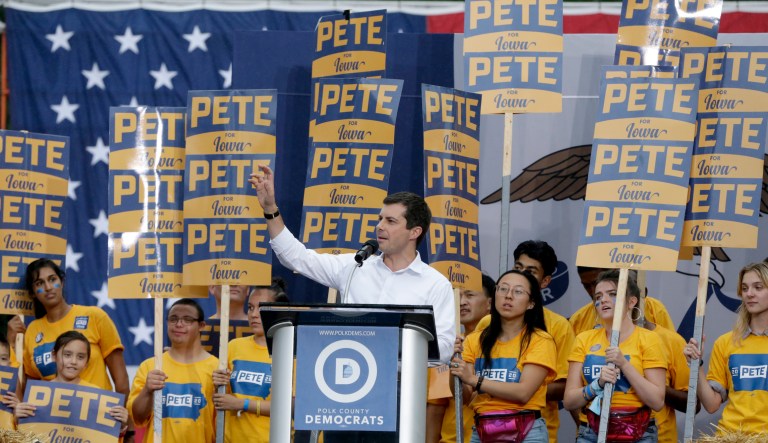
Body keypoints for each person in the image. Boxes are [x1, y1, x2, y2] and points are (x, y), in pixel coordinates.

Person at [249, 165, 455, 362]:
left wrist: (397, 343)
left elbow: (444, 347)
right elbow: (296, 257)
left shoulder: (435, 284)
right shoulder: (356, 266)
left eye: (390, 221)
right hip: (347, 375)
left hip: (402, 384)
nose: (379, 226)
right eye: (380, 218)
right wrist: (270, 209)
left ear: (415, 232)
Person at [450, 270, 557, 443]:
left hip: (527, 431)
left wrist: (475, 380)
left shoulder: (540, 340)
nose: (508, 296)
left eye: (518, 291)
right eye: (503, 289)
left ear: (531, 303)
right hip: (482, 430)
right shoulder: (473, 340)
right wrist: (454, 366)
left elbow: (523, 393)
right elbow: (463, 397)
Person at [564, 270, 667, 443]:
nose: (602, 299)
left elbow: (656, 401)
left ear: (631, 301)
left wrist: (624, 365)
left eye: (612, 294)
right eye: (598, 296)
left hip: (638, 433)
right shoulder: (584, 339)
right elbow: (569, 401)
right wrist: (597, 384)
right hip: (591, 433)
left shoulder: (649, 339)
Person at [683, 262, 768, 436]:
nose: (749, 294)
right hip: (731, 436)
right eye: (744, 288)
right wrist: (696, 365)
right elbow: (712, 404)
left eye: (758, 287)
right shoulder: (726, 342)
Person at [128, 299, 218, 443]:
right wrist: (147, 390)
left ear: (201, 326)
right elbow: (138, 418)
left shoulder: (216, 369)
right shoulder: (151, 366)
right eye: (173, 319)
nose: (179, 324)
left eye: (187, 319)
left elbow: (224, 426)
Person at [212, 281, 289, 442]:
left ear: (279, 311)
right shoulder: (234, 346)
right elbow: (221, 399)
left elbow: (290, 408)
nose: (254, 314)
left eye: (262, 308)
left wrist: (242, 404)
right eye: (250, 307)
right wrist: (217, 384)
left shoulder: (289, 352)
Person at [13, 331, 129, 435]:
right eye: (67, 355)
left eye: (80, 357)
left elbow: (105, 436)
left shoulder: (98, 396)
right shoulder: (36, 396)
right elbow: (26, 433)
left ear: (87, 363)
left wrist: (120, 425)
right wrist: (18, 418)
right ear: (54, 356)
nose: (73, 361)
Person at [430, 273, 495, 443]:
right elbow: (436, 408)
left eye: (470, 295)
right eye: (457, 296)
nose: (461, 302)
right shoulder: (447, 347)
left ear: (490, 302)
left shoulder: (505, 345)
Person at [570, 267, 673, 335]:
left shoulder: (655, 308)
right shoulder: (578, 319)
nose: (593, 290)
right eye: (586, 286)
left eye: (596, 283)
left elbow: (670, 347)